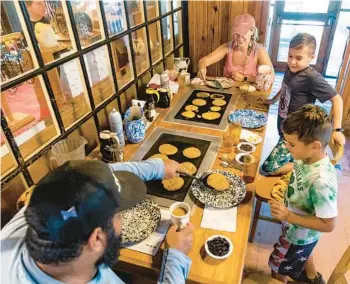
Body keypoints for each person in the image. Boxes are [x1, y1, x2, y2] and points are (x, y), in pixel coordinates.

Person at [1, 158, 194, 284]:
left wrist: (157, 168)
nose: (121, 218)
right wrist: (175, 257)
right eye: (118, 214)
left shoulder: (39, 209)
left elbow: (84, 179)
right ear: (97, 239)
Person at [268, 104, 337, 284]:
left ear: (315, 145)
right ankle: (313, 279)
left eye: (291, 144)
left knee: (277, 269)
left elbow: (329, 225)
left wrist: (289, 215)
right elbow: (299, 169)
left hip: (298, 238)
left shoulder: (322, 181)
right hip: (293, 227)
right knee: (298, 260)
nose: (287, 147)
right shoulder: (306, 156)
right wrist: (283, 169)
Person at [262, 33, 345, 176]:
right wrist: (273, 100)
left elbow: (337, 99)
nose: (292, 61)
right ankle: (302, 159)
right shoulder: (291, 68)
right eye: (290, 56)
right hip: (284, 125)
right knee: (284, 152)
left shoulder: (312, 78)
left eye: (298, 58)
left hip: (298, 132)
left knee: (268, 168)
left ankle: (311, 166)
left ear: (311, 58)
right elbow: (284, 87)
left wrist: (337, 130)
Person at [197, 14, 274, 83]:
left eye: (243, 33)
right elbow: (203, 61)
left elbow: (271, 77)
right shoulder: (227, 47)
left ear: (252, 31)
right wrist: (202, 67)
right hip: (228, 93)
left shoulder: (259, 50)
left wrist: (245, 78)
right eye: (237, 33)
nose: (240, 37)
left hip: (249, 95)